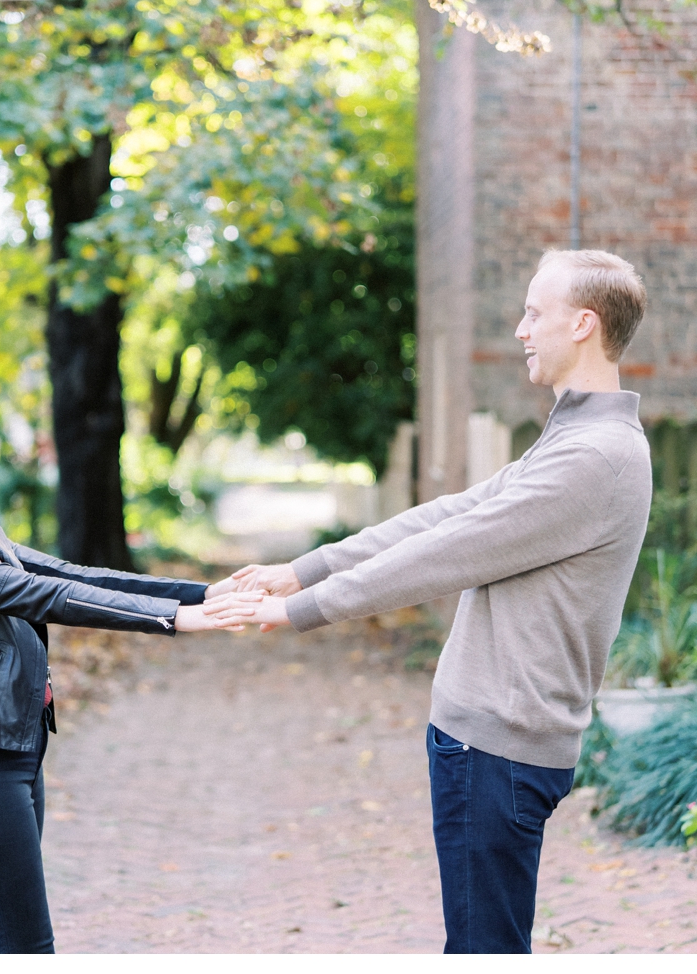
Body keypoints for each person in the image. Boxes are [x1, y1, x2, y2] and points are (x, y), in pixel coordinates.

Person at [206, 249, 652, 953]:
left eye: (535, 312)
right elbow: (445, 516)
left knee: (482, 951)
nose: (520, 329)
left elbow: (447, 552)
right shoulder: (574, 436)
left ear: (584, 325)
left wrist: (300, 611)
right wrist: (302, 570)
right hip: (486, 740)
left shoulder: (594, 456)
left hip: (500, 746)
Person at [0, 364, 238, 954]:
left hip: (11, 753)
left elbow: (67, 573)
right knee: (27, 951)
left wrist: (204, 594)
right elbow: (35, 595)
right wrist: (172, 620)